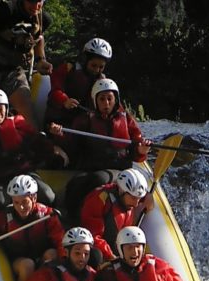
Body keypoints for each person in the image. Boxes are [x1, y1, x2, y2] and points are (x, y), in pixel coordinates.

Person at [49, 78, 151, 216]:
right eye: (102, 99)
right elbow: (71, 145)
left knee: (99, 179)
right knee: (75, 184)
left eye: (110, 98)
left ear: (116, 100)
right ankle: (71, 217)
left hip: (119, 169)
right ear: (95, 101)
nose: (106, 103)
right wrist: (60, 135)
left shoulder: (126, 119)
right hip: (93, 166)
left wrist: (141, 150)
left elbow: (136, 146)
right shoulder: (85, 119)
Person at [80, 168, 153, 265]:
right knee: (96, 256)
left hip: (116, 244)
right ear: (122, 191)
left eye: (139, 199)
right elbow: (93, 235)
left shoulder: (129, 196)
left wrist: (148, 196)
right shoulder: (99, 200)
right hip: (99, 246)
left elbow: (138, 195)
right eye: (133, 198)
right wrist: (111, 256)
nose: (136, 204)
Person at [45, 38, 112, 128]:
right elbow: (54, 91)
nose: (96, 70)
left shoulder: (102, 80)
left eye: (101, 67)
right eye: (93, 65)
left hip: (83, 124)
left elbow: (113, 103)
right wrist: (65, 101)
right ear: (85, 60)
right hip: (58, 120)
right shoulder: (68, 69)